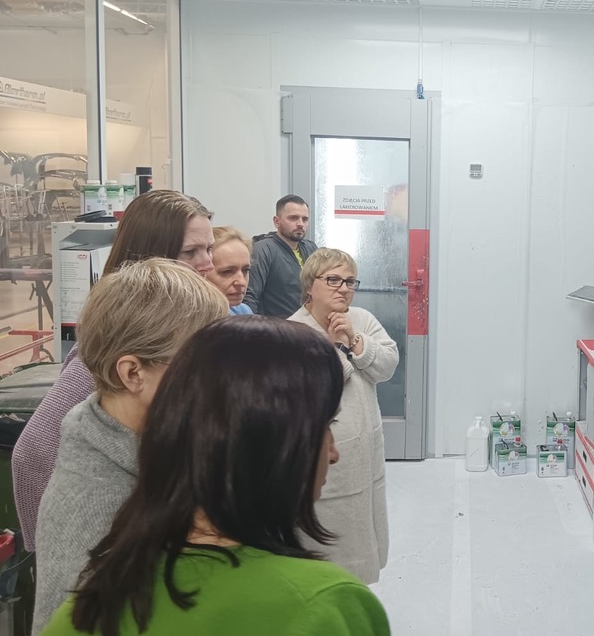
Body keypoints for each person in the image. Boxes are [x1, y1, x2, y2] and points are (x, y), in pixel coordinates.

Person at [41, 317, 391, 636]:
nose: (333, 452)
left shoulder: (82, 611)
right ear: (269, 442)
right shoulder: (327, 606)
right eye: (325, 426)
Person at [13, 190, 216, 551]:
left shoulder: (179, 328)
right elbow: (33, 452)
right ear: (151, 256)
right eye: (191, 252)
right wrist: (49, 547)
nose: (207, 265)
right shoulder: (118, 345)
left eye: (209, 249)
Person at [32, 259, 229, 633]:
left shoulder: (143, 441)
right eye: (203, 364)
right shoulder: (98, 512)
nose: (222, 379)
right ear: (133, 373)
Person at [288, 248, 398, 584]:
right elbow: (315, 391)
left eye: (350, 281)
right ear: (310, 286)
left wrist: (356, 340)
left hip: (366, 451)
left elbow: (388, 366)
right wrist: (336, 348)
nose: (344, 288)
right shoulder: (293, 331)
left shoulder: (361, 319)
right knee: (332, 533)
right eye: (333, 280)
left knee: (365, 523)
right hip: (324, 457)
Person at [243, 195, 317, 317]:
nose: (300, 224)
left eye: (305, 219)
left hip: (309, 323)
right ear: (277, 222)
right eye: (293, 218)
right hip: (277, 326)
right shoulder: (263, 249)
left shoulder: (311, 248)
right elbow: (250, 297)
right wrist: (252, 326)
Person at [209, 226, 254, 315]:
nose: (242, 282)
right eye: (227, 272)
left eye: (245, 270)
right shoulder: (188, 319)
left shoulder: (243, 311)